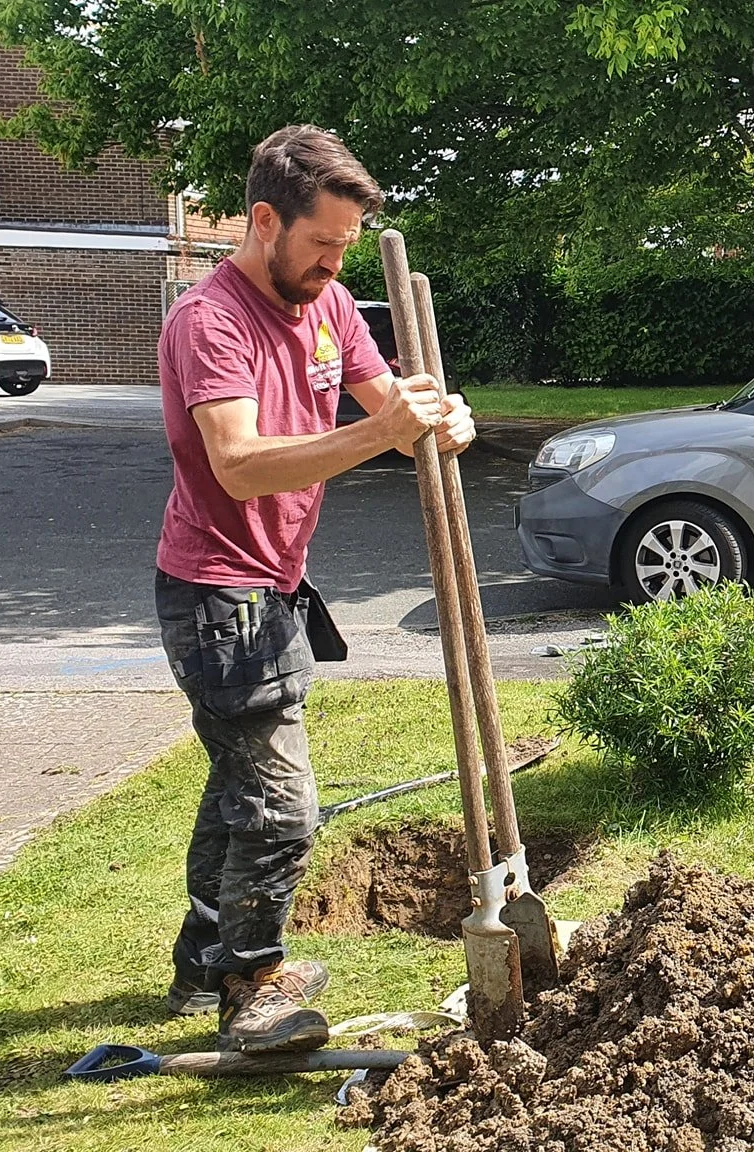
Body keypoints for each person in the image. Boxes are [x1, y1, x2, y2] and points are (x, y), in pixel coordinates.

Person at [153, 124, 473, 1053]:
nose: (336, 263)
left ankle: (202, 961)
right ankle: (252, 989)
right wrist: (386, 434)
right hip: (216, 592)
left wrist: (437, 420)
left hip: (274, 584)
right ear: (263, 221)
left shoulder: (327, 305)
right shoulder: (210, 322)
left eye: (346, 244)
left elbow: (390, 404)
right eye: (322, 243)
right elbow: (241, 465)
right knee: (281, 807)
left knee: (234, 791)